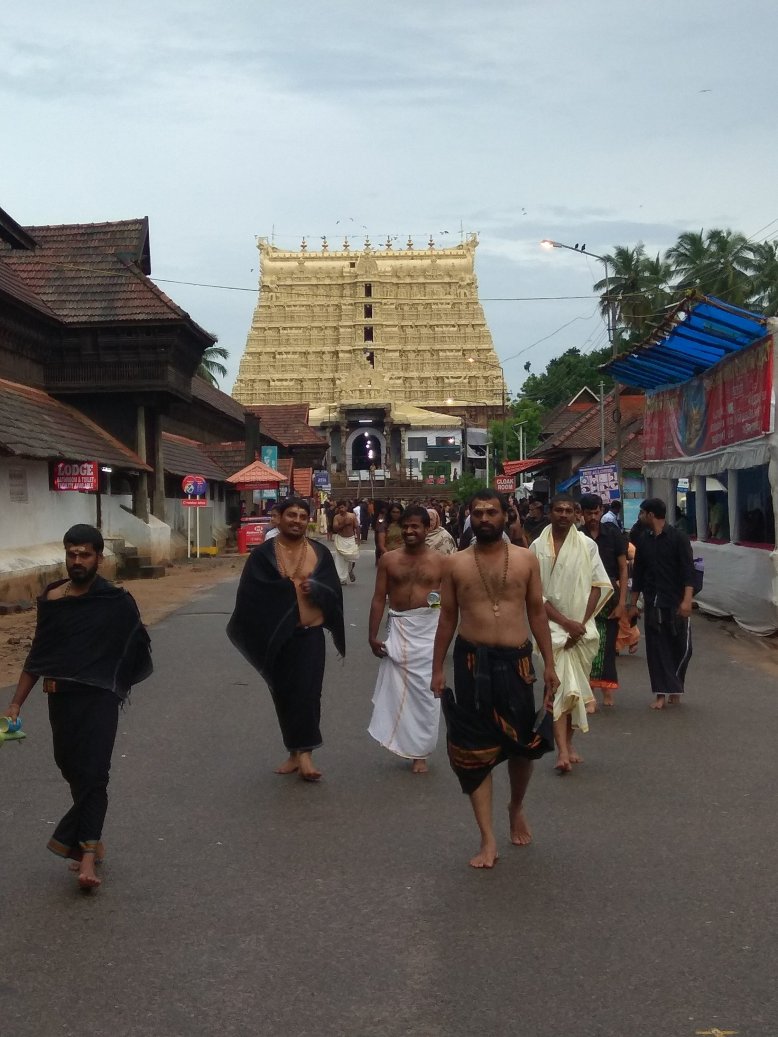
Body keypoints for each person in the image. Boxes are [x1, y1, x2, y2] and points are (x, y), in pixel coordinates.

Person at [3, 524, 152, 891]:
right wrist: (16, 702)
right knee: (71, 769)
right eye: (72, 554)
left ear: (99, 558)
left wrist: (114, 681)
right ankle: (91, 836)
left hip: (99, 698)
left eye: (85, 554)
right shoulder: (53, 598)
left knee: (95, 773)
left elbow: (135, 644)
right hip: (60, 697)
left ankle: (86, 854)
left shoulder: (115, 600)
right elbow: (39, 653)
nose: (77, 561)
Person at [431, 490, 558, 869]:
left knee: (522, 746)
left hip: (517, 662)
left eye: (491, 512)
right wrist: (437, 668)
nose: (484, 518)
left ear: (507, 515)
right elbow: (447, 617)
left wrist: (550, 665)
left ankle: (515, 806)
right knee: (474, 750)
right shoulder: (454, 563)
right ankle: (487, 838)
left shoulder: (525, 559)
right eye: (478, 513)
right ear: (469, 517)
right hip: (472, 662)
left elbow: (537, 613)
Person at [228, 497, 345, 780]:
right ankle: (294, 752)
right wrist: (283, 592)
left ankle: (306, 755)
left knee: (308, 693)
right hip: (278, 637)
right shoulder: (263, 555)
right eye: (291, 515)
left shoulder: (319, 552)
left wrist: (316, 588)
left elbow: (333, 592)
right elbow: (250, 597)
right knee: (283, 694)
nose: (297, 521)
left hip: (310, 634)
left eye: (303, 516)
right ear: (278, 518)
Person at [530, 494, 612, 774]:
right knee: (558, 687)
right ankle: (562, 751)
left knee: (574, 691)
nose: (563, 515)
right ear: (550, 513)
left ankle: (568, 744)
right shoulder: (536, 547)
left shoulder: (587, 546)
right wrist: (565, 623)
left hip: (582, 628)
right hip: (550, 628)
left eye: (568, 510)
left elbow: (598, 586)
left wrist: (580, 623)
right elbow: (535, 594)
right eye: (558, 510)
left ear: (575, 514)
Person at [368, 506, 447, 773]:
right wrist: (372, 635)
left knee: (427, 693)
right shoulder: (389, 560)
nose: (410, 531)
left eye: (415, 526)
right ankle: (403, 742)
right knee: (398, 692)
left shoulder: (441, 562)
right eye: (406, 526)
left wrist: (441, 629)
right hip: (400, 628)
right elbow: (379, 598)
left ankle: (420, 753)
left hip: (428, 629)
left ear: (427, 528)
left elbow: (447, 602)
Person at [627, 497, 695, 710]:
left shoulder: (678, 538)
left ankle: (675, 686)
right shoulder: (643, 540)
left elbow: (688, 571)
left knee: (682, 647)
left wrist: (687, 600)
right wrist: (632, 604)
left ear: (650, 514)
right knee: (656, 649)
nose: (640, 517)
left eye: (642, 513)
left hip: (676, 602)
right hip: (653, 603)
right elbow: (638, 575)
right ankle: (660, 694)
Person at [580, 493, 628, 707]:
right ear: (581, 514)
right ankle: (589, 695)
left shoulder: (613, 533)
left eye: (596, 512)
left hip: (610, 596)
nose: (593, 517)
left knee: (607, 646)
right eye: (588, 513)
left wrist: (622, 603)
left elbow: (623, 568)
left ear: (601, 511)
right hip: (584, 597)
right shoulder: (577, 536)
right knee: (587, 645)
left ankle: (607, 690)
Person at [332, 499, 360, 584]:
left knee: (352, 558)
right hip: (341, 539)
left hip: (350, 539)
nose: (341, 509)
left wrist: (358, 539)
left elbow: (357, 527)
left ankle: (350, 570)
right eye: (339, 508)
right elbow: (335, 529)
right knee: (340, 560)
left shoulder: (352, 516)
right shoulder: (337, 517)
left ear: (346, 507)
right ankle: (342, 579)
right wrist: (344, 523)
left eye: (342, 507)